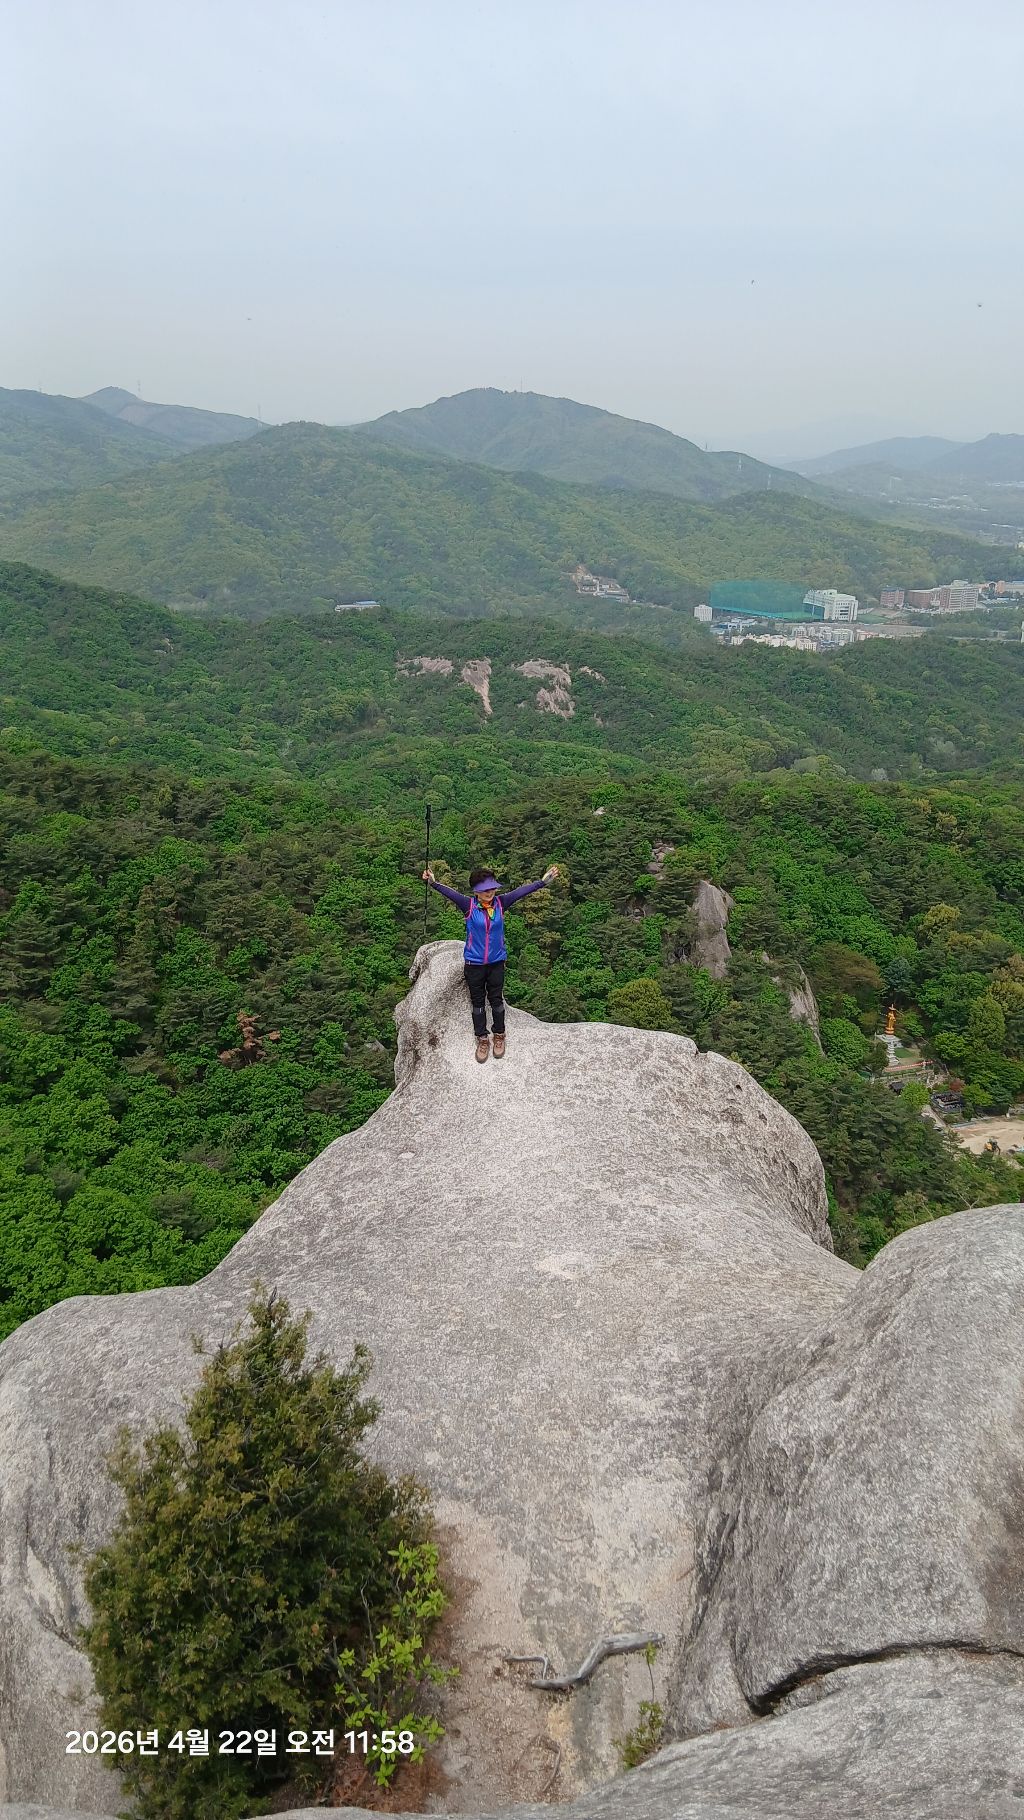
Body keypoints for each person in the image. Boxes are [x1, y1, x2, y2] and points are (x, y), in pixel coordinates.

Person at [421, 863, 560, 1062]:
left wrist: (542, 883)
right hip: (474, 963)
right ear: (476, 891)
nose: (490, 892)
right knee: (478, 1003)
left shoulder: (501, 903)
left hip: (496, 962)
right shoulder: (469, 906)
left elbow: (521, 892)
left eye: (492, 888)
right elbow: (450, 894)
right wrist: (434, 883)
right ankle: (482, 1038)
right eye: (486, 889)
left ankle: (499, 1035)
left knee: (496, 1001)